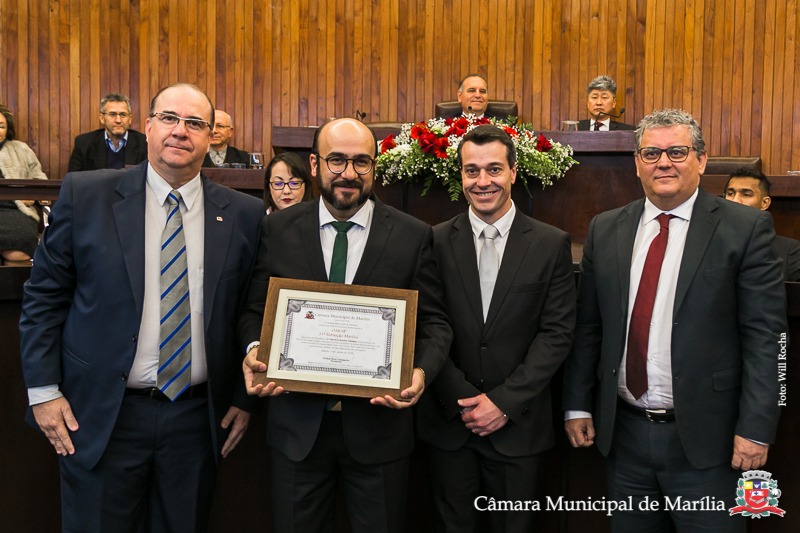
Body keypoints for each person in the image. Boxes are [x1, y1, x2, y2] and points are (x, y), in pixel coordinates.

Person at [20, 83, 264, 532]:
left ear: (211, 138)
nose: (180, 131)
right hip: (99, 417)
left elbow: (247, 309)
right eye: (169, 118)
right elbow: (44, 297)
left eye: (195, 123)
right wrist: (43, 392)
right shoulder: (86, 195)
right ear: (147, 126)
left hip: (195, 421)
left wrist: (242, 399)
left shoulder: (244, 214)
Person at [563, 109, 786, 531]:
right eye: (651, 153)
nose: (663, 162)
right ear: (636, 163)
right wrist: (577, 403)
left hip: (711, 443)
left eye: (677, 152)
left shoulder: (746, 228)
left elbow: (770, 340)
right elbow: (589, 327)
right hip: (624, 438)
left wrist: (758, 427)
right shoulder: (605, 229)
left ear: (701, 160)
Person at [239, 117, 452, 533]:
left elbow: (435, 322)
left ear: (375, 167)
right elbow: (252, 309)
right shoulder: (278, 228)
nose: (349, 174)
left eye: (361, 162)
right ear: (315, 166)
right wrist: (252, 349)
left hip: (379, 431)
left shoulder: (413, 235)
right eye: (336, 160)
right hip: (296, 428)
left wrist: (420, 372)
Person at [416, 125, 576, 533]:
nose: (483, 182)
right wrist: (466, 399)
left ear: (514, 173)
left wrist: (503, 402)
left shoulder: (550, 243)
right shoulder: (432, 242)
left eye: (493, 170)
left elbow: (556, 334)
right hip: (450, 424)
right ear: (461, 177)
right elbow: (425, 325)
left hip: (518, 426)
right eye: (471, 171)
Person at [724, 167, 800, 281]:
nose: (735, 200)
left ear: (765, 203)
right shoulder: (709, 242)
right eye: (730, 193)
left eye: (746, 194)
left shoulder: (790, 250)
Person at [0, 104, 48, 265]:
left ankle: (16, 288)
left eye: (1, 126)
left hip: (17, 210)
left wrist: (31, 197)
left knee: (18, 252)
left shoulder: (21, 149)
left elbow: (40, 181)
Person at [67, 93, 148, 172]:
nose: (118, 120)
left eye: (123, 114)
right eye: (112, 114)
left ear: (130, 119)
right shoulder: (84, 144)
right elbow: (74, 180)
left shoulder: (145, 143)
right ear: (102, 118)